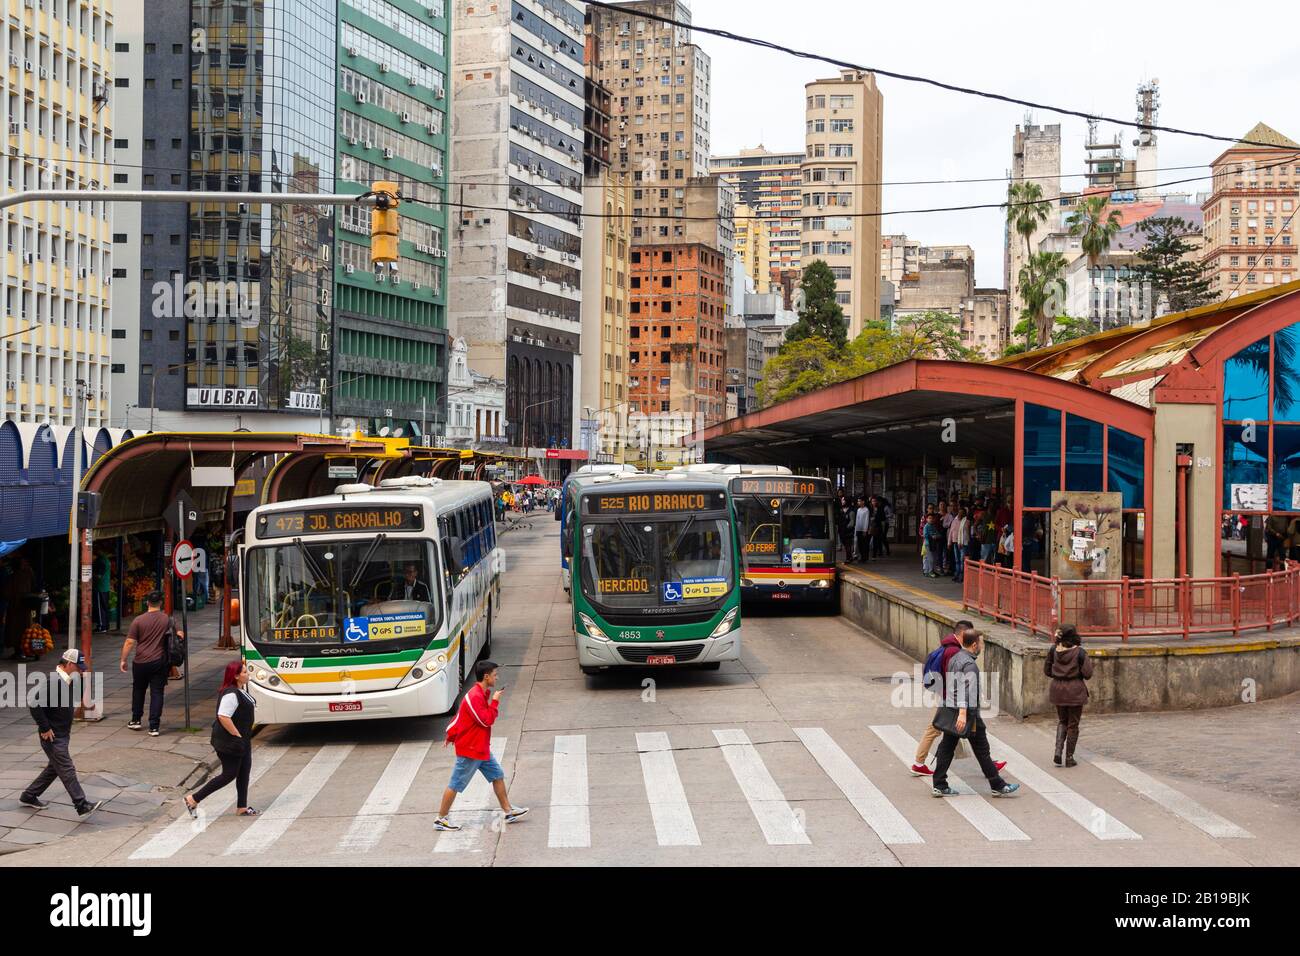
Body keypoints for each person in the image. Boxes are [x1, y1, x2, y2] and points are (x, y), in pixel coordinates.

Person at [434, 660, 528, 831]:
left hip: (480, 748)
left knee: (497, 775)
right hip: (471, 750)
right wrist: (495, 701)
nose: (496, 677)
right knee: (455, 784)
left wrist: (491, 699)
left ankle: (508, 811)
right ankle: (441, 818)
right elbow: (486, 720)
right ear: (486, 676)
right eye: (494, 675)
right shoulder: (475, 696)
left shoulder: (481, 693)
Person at [931, 630, 1020, 798]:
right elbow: (967, 691)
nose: (982, 646)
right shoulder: (970, 664)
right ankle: (997, 784)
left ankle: (940, 784)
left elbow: (952, 685)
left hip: (951, 709)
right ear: (974, 645)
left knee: (947, 747)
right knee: (981, 749)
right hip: (967, 714)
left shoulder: (955, 657)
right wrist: (963, 714)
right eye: (981, 643)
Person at [19, 649, 103, 816]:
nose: (81, 669)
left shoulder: (67, 680)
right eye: (79, 667)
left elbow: (77, 699)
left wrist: (82, 680)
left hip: (62, 733)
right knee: (66, 768)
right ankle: (81, 804)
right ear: (69, 664)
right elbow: (34, 704)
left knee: (54, 768)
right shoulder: (54, 681)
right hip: (53, 736)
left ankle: (29, 796)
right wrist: (44, 728)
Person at [184, 660, 259, 818]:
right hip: (231, 742)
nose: (248, 674)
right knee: (229, 774)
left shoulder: (239, 690)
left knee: (244, 772)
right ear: (236, 676)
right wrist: (237, 735)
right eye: (245, 672)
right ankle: (193, 799)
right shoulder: (231, 693)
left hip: (242, 741)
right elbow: (223, 716)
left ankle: (242, 807)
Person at [120, 590, 180, 736]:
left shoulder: (138, 620)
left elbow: (129, 642)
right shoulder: (168, 620)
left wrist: (123, 660)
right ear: (160, 603)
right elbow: (179, 635)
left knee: (138, 690)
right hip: (159, 662)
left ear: (147, 602)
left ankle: (136, 720)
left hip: (140, 662)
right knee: (157, 693)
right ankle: (154, 726)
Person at [1045, 624, 1093, 767]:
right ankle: (1069, 757)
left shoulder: (1053, 650)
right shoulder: (1080, 653)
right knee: (1073, 724)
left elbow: (1047, 671)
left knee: (1062, 721)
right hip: (1075, 692)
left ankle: (1058, 751)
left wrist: (1059, 674)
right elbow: (1088, 674)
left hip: (1057, 690)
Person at [4, 557, 35, 661]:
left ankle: (20, 652)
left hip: (17, 607)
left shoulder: (17, 576)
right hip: (21, 607)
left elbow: (7, 592)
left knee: (17, 631)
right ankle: (20, 652)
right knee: (21, 630)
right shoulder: (24, 575)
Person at [923, 513, 945, 578]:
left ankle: (928, 571)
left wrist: (937, 536)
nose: (931, 519)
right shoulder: (926, 526)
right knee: (930, 559)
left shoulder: (933, 526)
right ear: (926, 519)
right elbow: (925, 535)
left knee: (931, 558)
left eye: (932, 518)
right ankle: (930, 571)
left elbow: (938, 533)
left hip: (933, 544)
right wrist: (932, 536)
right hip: (928, 544)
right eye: (929, 518)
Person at [853, 496, 871, 563]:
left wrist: (865, 530)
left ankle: (865, 557)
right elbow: (857, 520)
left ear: (863, 502)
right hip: (858, 529)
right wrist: (856, 529)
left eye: (859, 501)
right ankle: (862, 556)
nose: (858, 502)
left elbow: (866, 521)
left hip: (863, 530)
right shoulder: (858, 509)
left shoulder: (866, 510)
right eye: (858, 501)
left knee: (864, 544)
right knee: (860, 544)